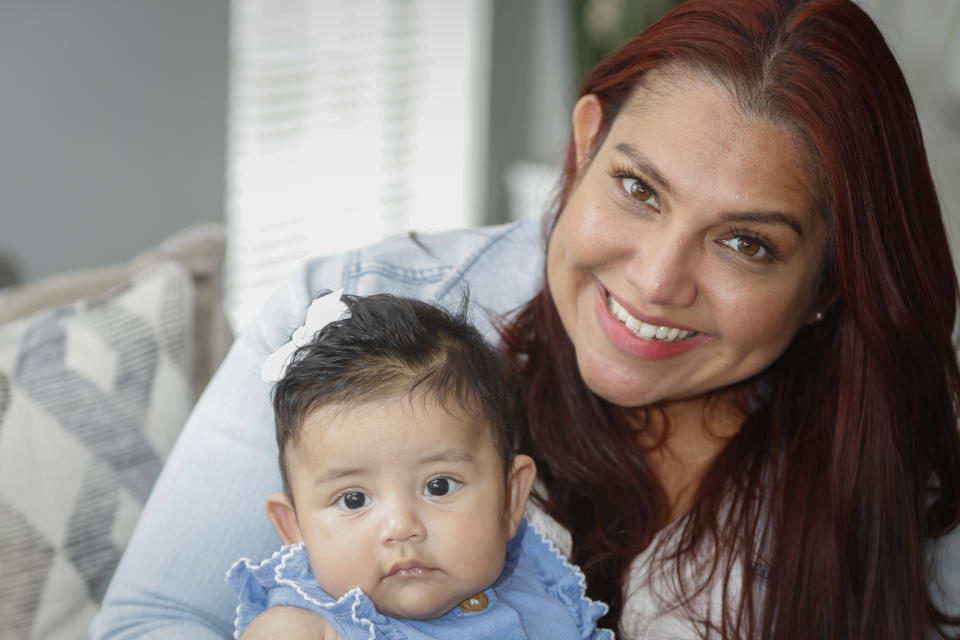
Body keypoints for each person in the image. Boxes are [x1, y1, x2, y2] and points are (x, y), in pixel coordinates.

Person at [92, 0, 960, 637]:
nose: (657, 281)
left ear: (831, 283)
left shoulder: (895, 450)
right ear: (584, 145)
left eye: (746, 244)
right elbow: (154, 621)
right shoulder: (344, 319)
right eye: (637, 189)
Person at [226, 291, 612, 639]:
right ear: (295, 527)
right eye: (354, 499)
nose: (401, 527)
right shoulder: (302, 629)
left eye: (439, 486)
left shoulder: (546, 598)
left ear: (510, 499)